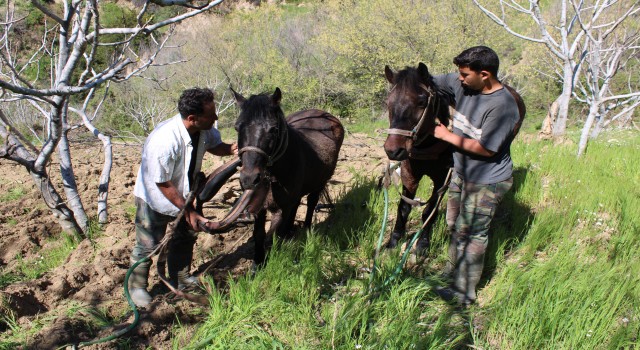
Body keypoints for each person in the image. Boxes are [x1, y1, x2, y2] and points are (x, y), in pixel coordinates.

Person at [128, 87, 237, 307]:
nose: (216, 117)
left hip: (186, 194)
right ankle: (137, 287)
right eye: (211, 114)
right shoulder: (165, 139)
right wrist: (189, 211)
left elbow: (215, 146)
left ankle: (181, 278)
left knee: (185, 237)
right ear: (192, 118)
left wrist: (234, 148)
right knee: (149, 244)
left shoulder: (203, 130)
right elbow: (162, 182)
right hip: (156, 198)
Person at [431, 46, 520, 306]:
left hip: (487, 180)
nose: (458, 78)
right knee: (454, 225)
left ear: (484, 74)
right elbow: (431, 80)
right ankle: (452, 272)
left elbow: (486, 148)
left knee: (472, 233)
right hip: (462, 172)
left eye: (464, 74)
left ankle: (464, 294)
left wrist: (447, 136)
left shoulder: (503, 107)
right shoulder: (465, 85)